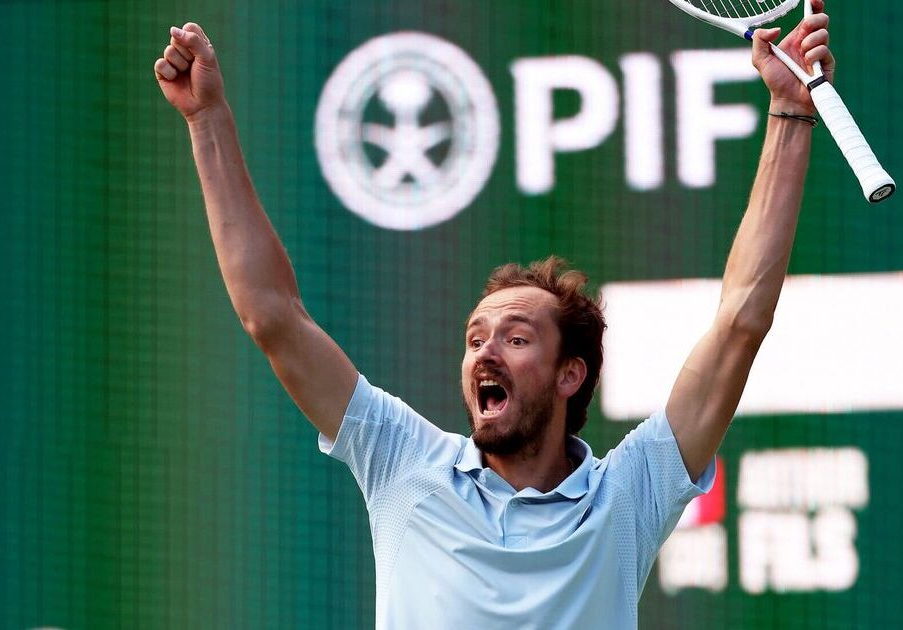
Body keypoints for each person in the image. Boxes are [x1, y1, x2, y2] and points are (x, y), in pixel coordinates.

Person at [154, 3, 832, 627]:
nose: (484, 354)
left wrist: (790, 112)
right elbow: (271, 316)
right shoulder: (400, 461)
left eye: (515, 338)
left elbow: (741, 321)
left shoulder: (628, 495)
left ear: (570, 375)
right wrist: (206, 118)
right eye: (475, 339)